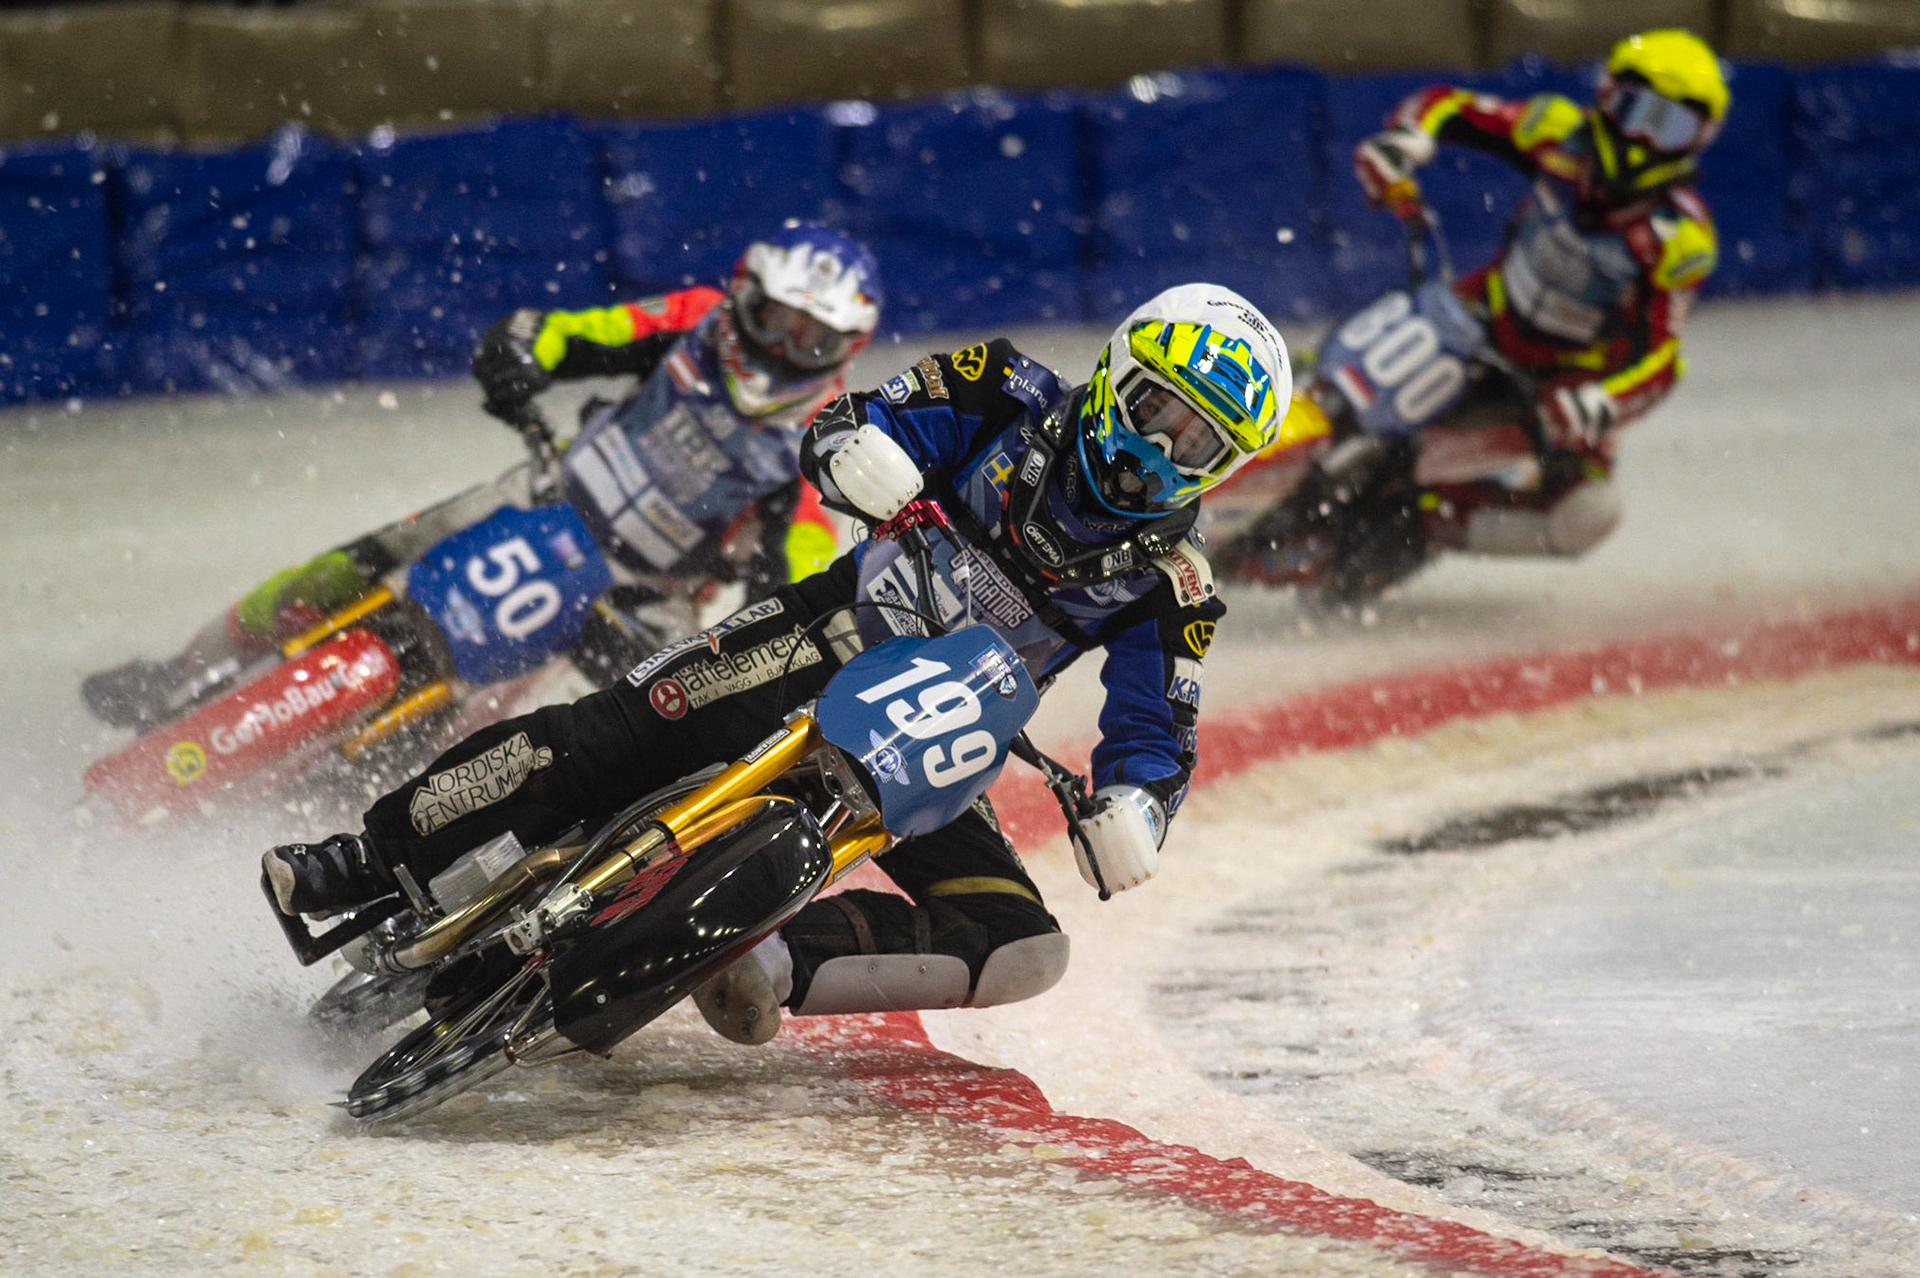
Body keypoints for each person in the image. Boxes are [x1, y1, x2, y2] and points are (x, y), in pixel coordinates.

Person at [262, 282, 1289, 1042]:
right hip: (824, 635)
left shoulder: (1178, 587)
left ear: (1228, 467)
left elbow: (1157, 734)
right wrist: (853, 448)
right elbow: (859, 415)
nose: (1156, 452)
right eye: (1156, 410)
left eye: (1197, 444)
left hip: (940, 746)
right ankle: (366, 856)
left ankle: (763, 956)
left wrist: (1141, 807)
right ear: (1116, 374)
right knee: (608, 733)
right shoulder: (1002, 388)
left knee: (1020, 944)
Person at [81, 223, 879, 729]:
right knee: (336, 570)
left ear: (844, 349)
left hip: (641, 600)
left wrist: (744, 641)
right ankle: (179, 673)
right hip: (541, 493)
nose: (781, 348)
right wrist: (522, 352)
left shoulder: (820, 441)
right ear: (745, 296)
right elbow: (574, 333)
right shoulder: (693, 318)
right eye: (775, 320)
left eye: (810, 339)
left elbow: (797, 577)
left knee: (524, 745)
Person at [1252, 28, 1725, 595]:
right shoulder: (1555, 133)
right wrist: (1408, 141)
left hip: (1562, 389)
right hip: (1482, 319)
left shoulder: (1679, 239)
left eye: (1669, 125)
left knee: (1587, 515)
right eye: (1635, 110)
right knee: (1367, 379)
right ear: (1606, 98)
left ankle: (1419, 520)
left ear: (1698, 141)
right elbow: (1449, 106)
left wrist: (1602, 403)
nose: (1644, 138)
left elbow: (1663, 360)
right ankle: (1289, 406)